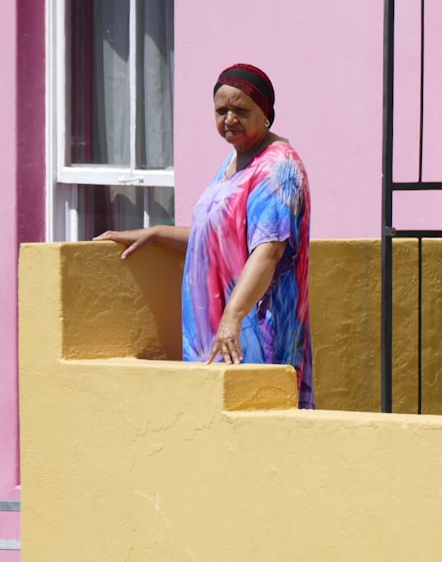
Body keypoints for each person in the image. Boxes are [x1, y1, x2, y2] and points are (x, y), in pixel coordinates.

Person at [94, 63, 315, 409]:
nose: (229, 119)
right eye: (221, 110)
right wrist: (156, 233)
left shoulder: (277, 167)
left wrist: (233, 316)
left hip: (252, 335)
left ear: (266, 113)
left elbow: (268, 252)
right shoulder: (234, 162)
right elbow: (218, 239)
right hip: (215, 334)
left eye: (241, 110)